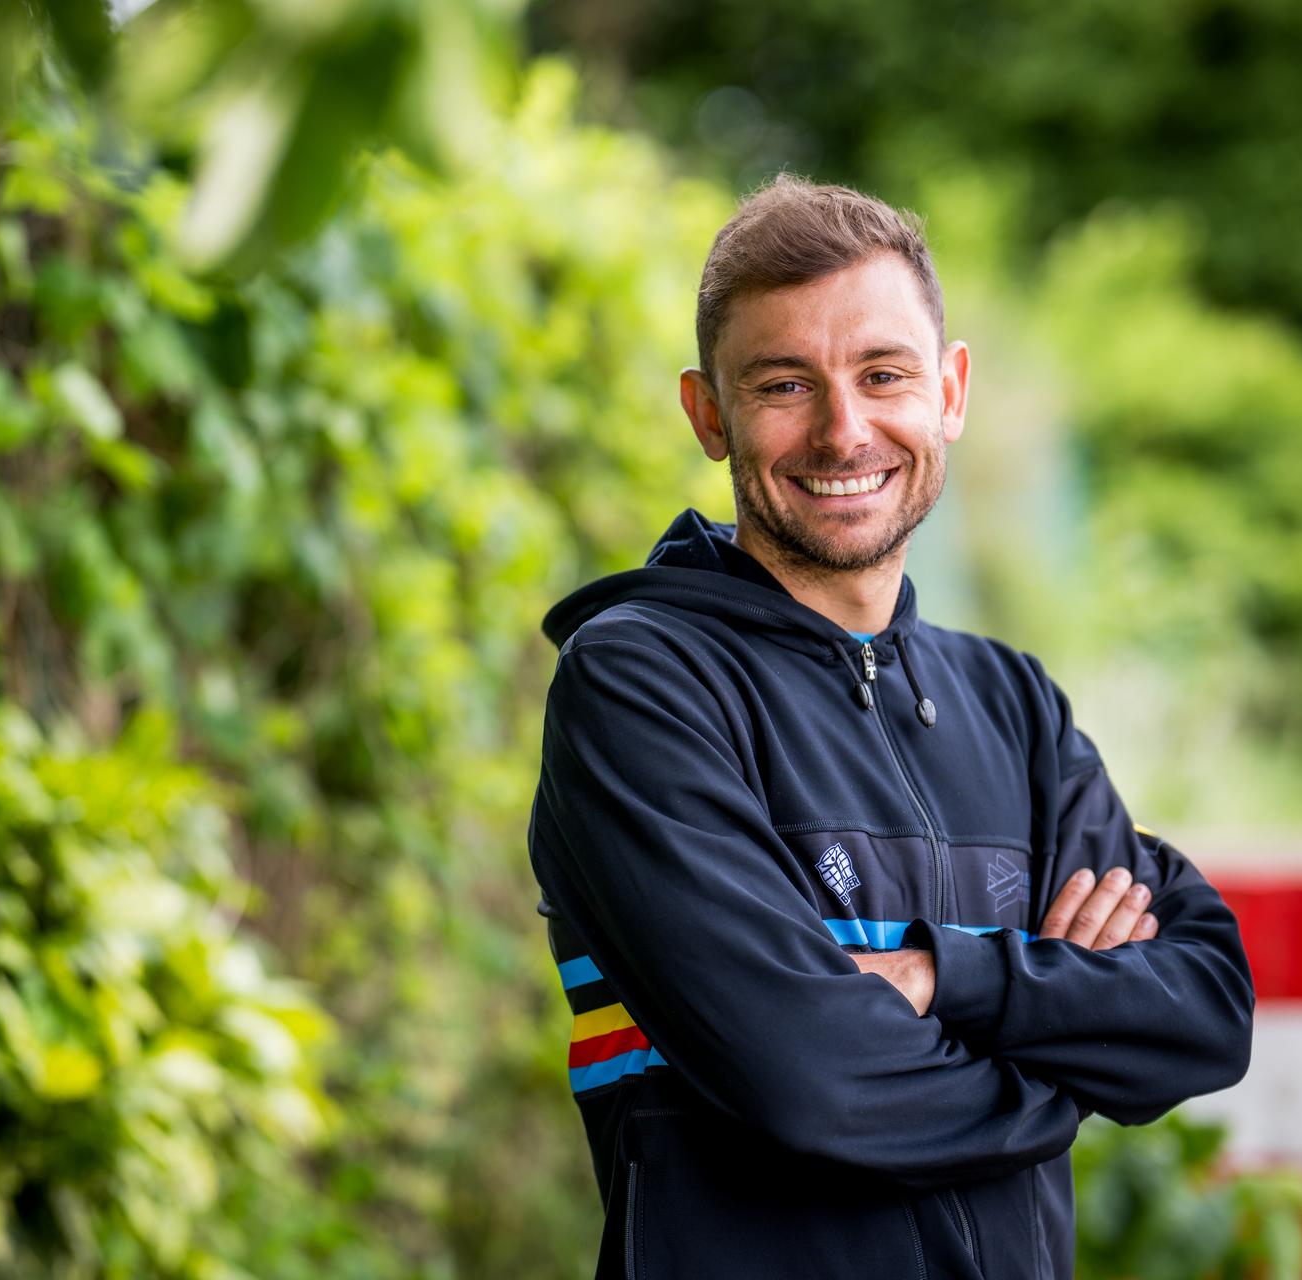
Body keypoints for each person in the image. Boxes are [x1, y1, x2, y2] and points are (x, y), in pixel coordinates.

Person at [526, 176, 1254, 1280]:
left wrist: (939, 977)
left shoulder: (1013, 706)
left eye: (883, 374)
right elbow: (812, 1083)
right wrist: (1070, 1060)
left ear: (948, 391)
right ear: (709, 415)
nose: (843, 429)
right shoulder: (639, 686)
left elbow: (1206, 1010)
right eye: (785, 384)